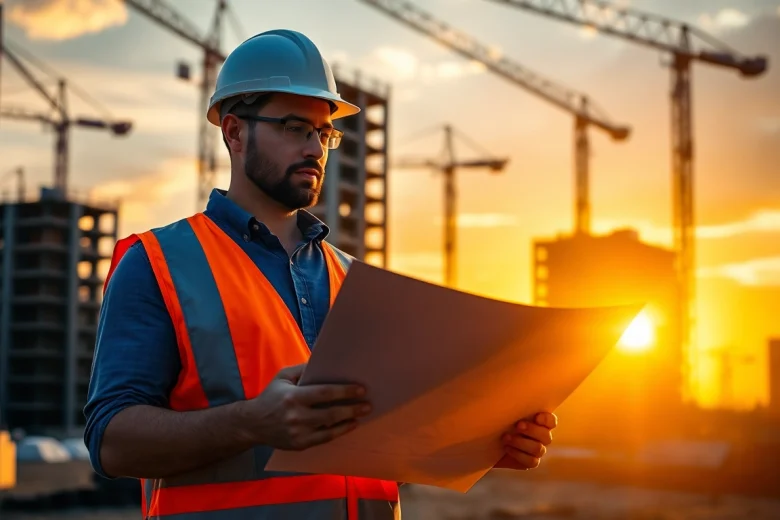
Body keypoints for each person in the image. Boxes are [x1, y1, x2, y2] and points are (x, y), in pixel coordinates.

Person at [83, 29, 558, 520]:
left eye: (324, 132)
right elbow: (111, 443)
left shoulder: (357, 281)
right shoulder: (159, 263)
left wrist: (474, 444)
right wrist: (251, 424)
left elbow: (377, 446)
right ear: (234, 132)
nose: (315, 147)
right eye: (294, 127)